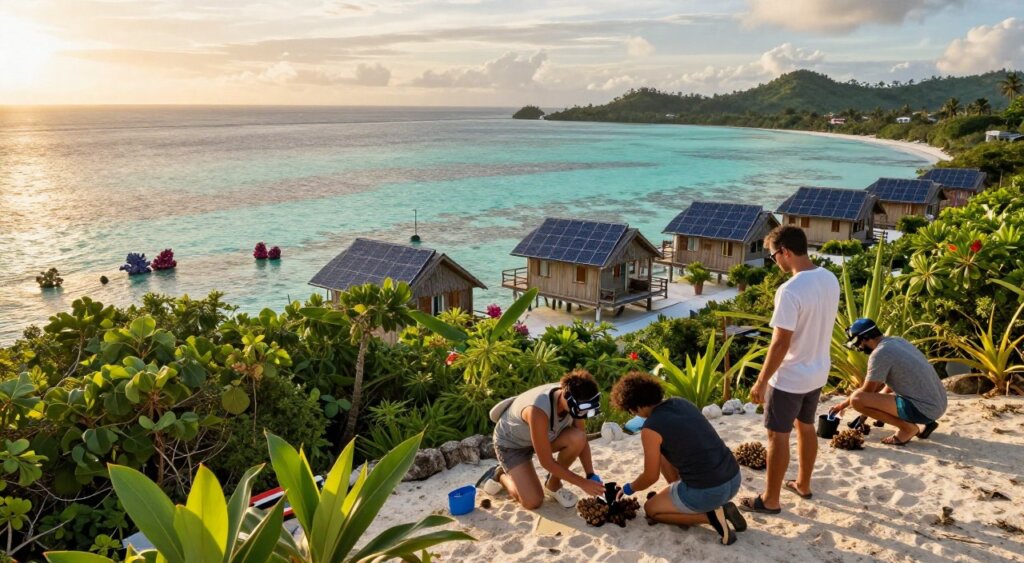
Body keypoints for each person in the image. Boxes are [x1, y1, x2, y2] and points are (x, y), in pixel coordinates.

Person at [740, 225, 840, 515]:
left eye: (773, 257)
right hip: (818, 370)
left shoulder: (790, 290)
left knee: (777, 435)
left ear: (784, 251)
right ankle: (803, 484)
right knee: (805, 426)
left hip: (791, 376)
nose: (775, 263)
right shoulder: (829, 278)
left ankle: (770, 500)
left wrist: (761, 381)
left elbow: (781, 343)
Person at [610, 372, 746, 546]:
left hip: (708, 491)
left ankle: (711, 516)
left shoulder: (650, 429)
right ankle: (680, 494)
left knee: (651, 509)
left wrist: (629, 488)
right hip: (733, 478)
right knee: (661, 450)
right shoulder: (681, 403)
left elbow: (650, 477)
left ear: (635, 407)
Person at [476, 370, 606, 509]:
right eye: (582, 409)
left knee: (577, 438)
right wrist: (582, 483)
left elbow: (582, 439)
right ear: (566, 396)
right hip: (512, 445)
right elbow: (546, 462)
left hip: (542, 438)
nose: (584, 413)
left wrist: (590, 474)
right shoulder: (538, 410)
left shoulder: (577, 400)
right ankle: (500, 474)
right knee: (532, 501)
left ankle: (553, 485)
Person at [829, 318, 946, 446]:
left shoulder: (880, 354)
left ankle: (907, 428)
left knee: (856, 400)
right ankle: (927, 423)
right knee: (869, 397)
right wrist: (864, 416)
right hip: (938, 404)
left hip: (925, 410)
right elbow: (892, 385)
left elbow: (866, 393)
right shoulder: (897, 341)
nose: (859, 348)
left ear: (866, 338)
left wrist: (842, 405)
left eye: (858, 343)